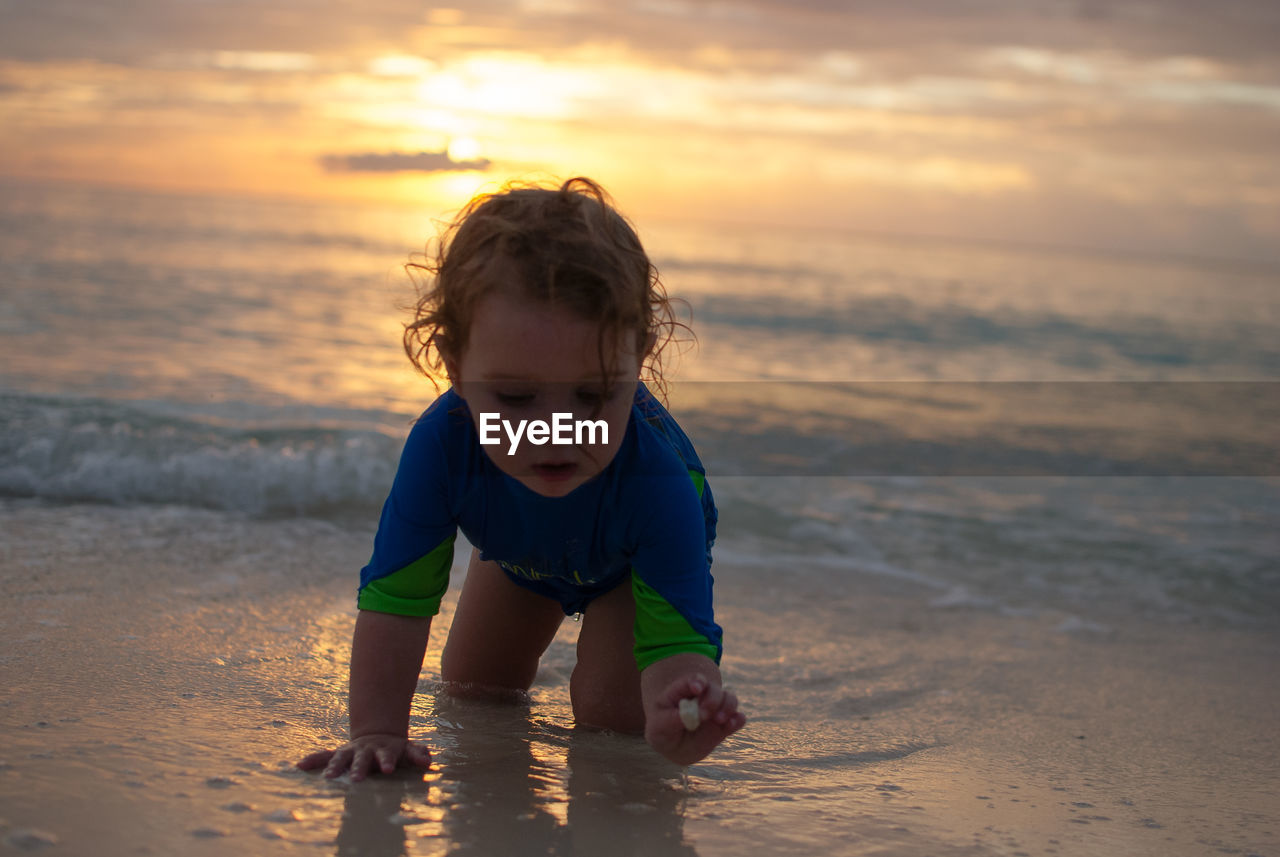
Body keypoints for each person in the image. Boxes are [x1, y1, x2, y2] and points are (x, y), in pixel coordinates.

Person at [298, 177, 744, 781]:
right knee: (474, 689)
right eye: (514, 397)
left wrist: (682, 721)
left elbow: (678, 648)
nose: (554, 431)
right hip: (520, 553)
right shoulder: (441, 447)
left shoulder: (660, 487)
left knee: (613, 716)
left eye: (592, 396)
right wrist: (377, 733)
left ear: (637, 362)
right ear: (455, 367)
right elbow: (397, 601)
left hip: (629, 567)